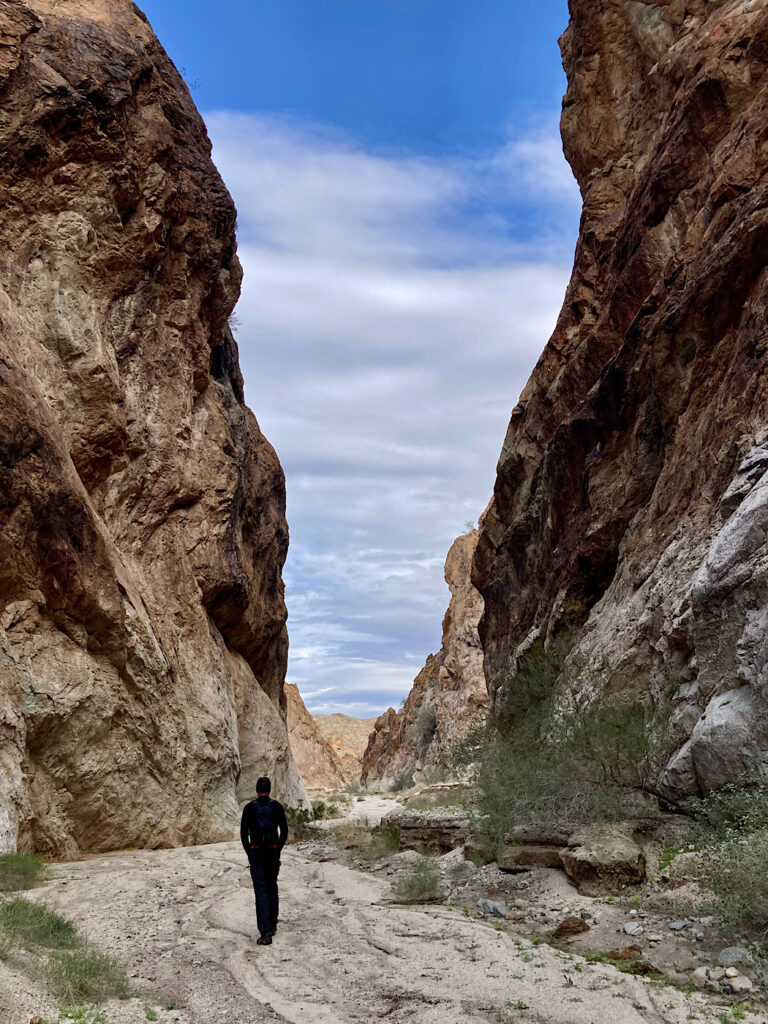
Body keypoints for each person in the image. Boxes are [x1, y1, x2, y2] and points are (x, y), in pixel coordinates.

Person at [240, 776, 288, 945]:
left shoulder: (249, 808)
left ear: (256, 789)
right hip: (272, 853)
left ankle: (265, 931)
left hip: (257, 854)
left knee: (260, 891)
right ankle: (273, 925)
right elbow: (284, 831)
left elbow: (243, 834)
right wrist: (278, 849)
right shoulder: (276, 807)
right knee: (272, 886)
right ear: (270, 789)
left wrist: (249, 853)